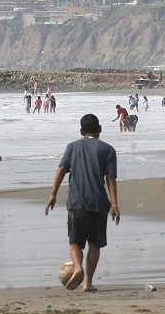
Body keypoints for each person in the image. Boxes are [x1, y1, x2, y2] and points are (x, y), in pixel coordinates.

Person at [45, 114, 119, 292]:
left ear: (81, 131)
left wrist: (53, 194)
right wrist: (114, 203)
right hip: (99, 203)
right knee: (95, 243)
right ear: (99, 129)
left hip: (77, 202)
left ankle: (78, 267)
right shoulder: (108, 150)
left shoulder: (72, 147)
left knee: (75, 242)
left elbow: (62, 169)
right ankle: (87, 283)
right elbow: (110, 178)